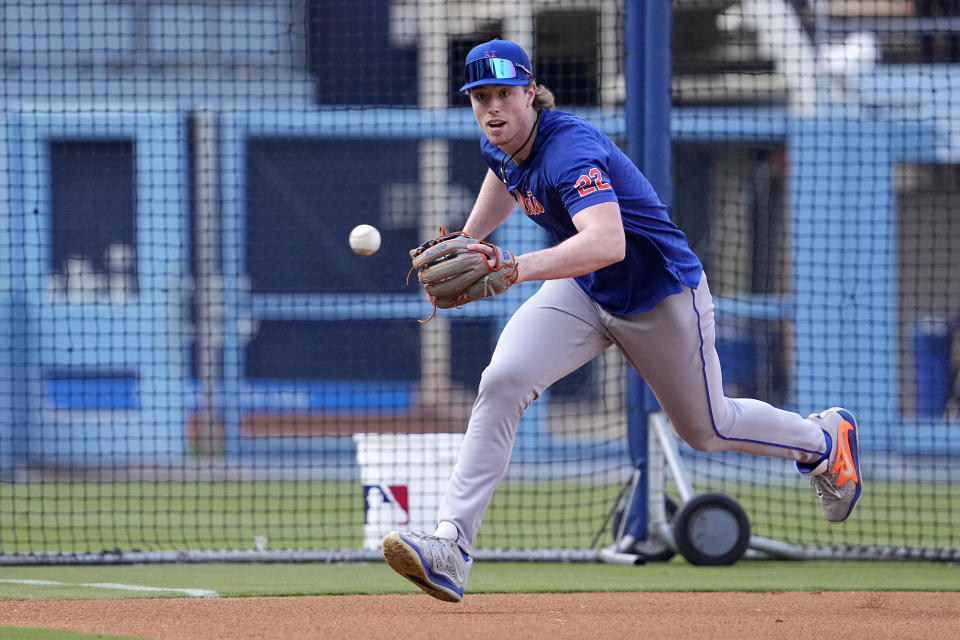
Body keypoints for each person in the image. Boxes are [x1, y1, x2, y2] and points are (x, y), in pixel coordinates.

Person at [381, 39, 863, 603]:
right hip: (584, 292)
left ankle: (823, 441)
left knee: (707, 430)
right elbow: (503, 177)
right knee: (502, 381)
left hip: (659, 297)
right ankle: (450, 546)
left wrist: (512, 266)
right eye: (480, 97)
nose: (492, 109)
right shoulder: (504, 145)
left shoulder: (569, 152)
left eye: (505, 94)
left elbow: (607, 242)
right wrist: (470, 238)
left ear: (530, 92)